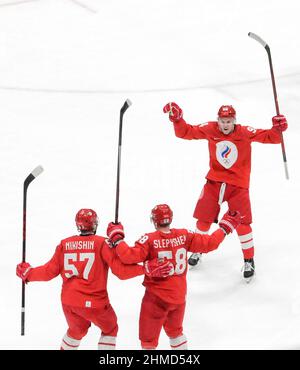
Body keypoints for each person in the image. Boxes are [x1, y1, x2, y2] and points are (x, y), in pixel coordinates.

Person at [163, 102, 288, 281]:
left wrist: (278, 129)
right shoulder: (210, 128)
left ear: (234, 121)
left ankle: (249, 260)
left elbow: (271, 137)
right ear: (218, 120)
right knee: (203, 221)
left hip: (238, 186)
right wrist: (177, 120)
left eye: (228, 121)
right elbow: (185, 132)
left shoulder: (245, 132)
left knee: (243, 225)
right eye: (222, 121)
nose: (225, 125)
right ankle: (198, 250)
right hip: (214, 183)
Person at [16, 208, 170, 350]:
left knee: (77, 330)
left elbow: (49, 271)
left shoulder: (65, 243)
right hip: (95, 303)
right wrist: (145, 268)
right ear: (95, 224)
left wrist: (29, 273)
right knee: (110, 328)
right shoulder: (102, 243)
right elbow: (121, 271)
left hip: (69, 303)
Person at [106, 204, 241, 350]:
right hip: (178, 298)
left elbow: (127, 256)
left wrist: (117, 238)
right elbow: (210, 243)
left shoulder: (149, 240)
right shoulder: (184, 235)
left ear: (154, 221)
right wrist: (224, 228)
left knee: (148, 341)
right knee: (176, 333)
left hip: (156, 298)